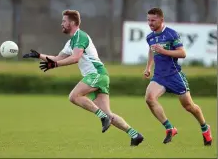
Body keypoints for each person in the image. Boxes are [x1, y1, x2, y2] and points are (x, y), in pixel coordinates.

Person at [23, 9, 144, 146]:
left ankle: (103, 117)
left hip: (96, 74)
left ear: (73, 23)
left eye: (64, 21)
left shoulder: (80, 36)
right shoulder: (71, 42)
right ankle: (135, 135)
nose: (61, 24)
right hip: (100, 76)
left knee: (74, 96)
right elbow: (58, 58)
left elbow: (75, 58)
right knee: (108, 114)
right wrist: (39, 56)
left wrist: (55, 65)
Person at [143, 7, 212, 146]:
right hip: (159, 76)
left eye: (153, 20)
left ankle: (205, 128)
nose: (150, 23)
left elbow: (182, 53)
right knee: (150, 98)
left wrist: (163, 51)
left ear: (161, 20)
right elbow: (151, 51)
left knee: (189, 106)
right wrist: (148, 67)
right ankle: (170, 128)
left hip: (174, 75)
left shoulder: (171, 34)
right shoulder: (150, 37)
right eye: (148, 20)